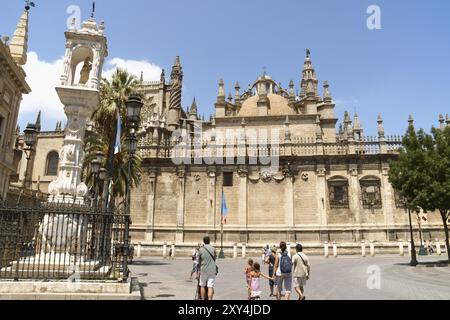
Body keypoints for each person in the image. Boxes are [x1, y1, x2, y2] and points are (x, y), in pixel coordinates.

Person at [198, 236, 218, 300]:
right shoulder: (213, 249)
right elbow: (214, 258)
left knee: (202, 285)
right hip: (212, 270)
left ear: (203, 241)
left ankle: (203, 299)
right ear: (209, 241)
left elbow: (199, 261)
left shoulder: (201, 249)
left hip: (203, 269)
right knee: (210, 286)